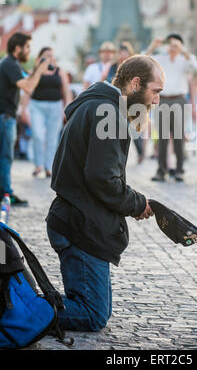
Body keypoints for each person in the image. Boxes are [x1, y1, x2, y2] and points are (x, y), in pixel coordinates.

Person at [46, 55, 165, 332]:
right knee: (92, 315)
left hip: (80, 218)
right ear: (135, 83)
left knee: (100, 310)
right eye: (155, 92)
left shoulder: (99, 105)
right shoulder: (107, 112)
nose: (157, 101)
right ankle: (12, 308)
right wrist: (137, 203)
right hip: (79, 224)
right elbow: (103, 179)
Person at [0, 32, 50, 206]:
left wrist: (36, 70)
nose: (29, 51)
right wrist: (40, 71)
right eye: (27, 47)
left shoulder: (11, 64)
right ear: (18, 48)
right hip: (4, 118)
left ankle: (4, 193)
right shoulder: (9, 64)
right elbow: (29, 87)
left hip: (7, 117)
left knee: (5, 157)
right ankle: (6, 194)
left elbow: (28, 80)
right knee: (5, 158)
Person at [147, 34, 197, 182]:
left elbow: (196, 66)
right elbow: (143, 61)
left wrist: (183, 50)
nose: (172, 47)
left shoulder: (184, 60)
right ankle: (161, 170)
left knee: (178, 136)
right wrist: (153, 46)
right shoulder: (161, 59)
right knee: (162, 137)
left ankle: (179, 170)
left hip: (179, 100)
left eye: (175, 44)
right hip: (162, 100)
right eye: (170, 44)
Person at [23, 47, 72, 178]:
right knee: (38, 135)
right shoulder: (34, 71)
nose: (49, 58)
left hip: (55, 106)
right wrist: (23, 109)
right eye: (46, 55)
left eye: (51, 55)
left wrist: (67, 109)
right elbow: (27, 90)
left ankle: (48, 166)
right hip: (37, 106)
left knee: (52, 138)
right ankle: (38, 165)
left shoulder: (60, 72)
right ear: (40, 57)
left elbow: (66, 91)